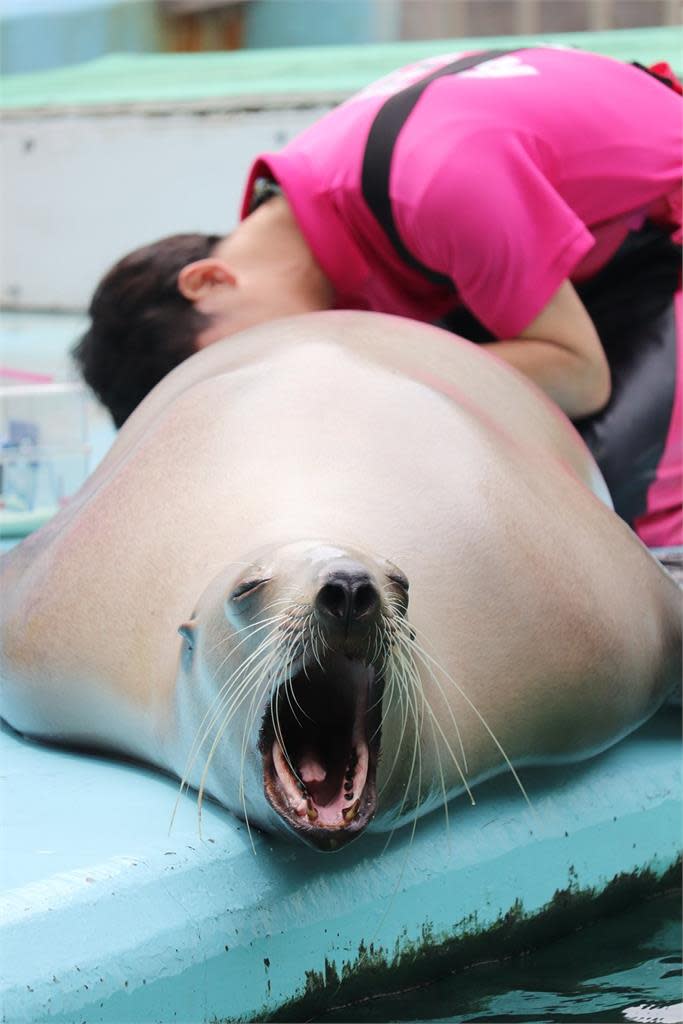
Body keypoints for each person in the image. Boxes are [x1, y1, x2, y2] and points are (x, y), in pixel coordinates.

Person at [73, 46, 682, 547]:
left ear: (209, 281)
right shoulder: (323, 227)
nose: (270, 383)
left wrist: (359, 380)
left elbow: (579, 375)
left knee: (615, 517)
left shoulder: (429, 189)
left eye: (244, 363)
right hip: (591, 251)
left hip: (662, 229)